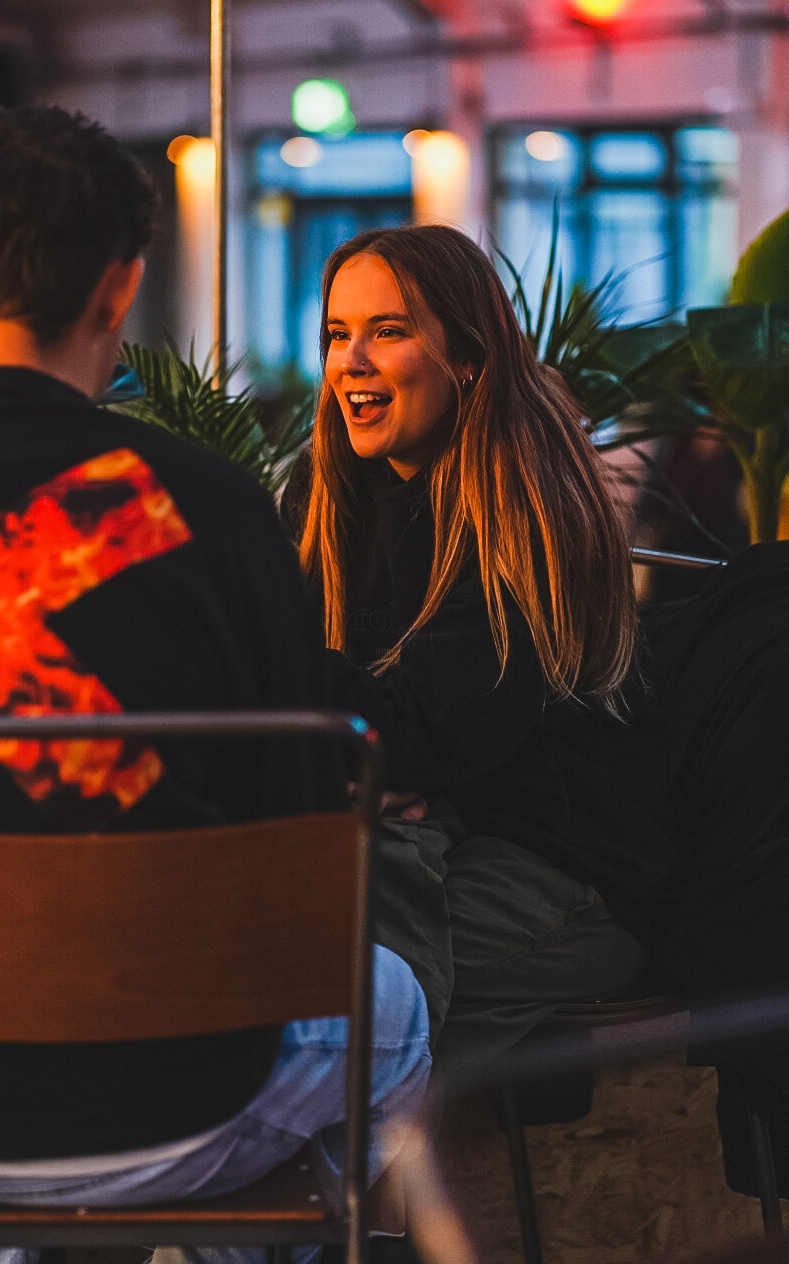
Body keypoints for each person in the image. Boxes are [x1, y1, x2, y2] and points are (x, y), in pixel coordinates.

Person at [0, 107, 430, 1264]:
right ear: (119, 290)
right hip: (159, 1107)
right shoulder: (211, 507)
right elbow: (291, 850)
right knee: (394, 1008)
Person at [284, 223, 678, 1074]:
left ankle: (360, 1154)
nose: (351, 361)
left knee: (308, 959)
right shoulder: (325, 497)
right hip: (418, 838)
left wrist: (265, 666)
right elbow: (362, 739)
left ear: (467, 356)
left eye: (388, 331)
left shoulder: (525, 512)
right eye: (338, 334)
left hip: (560, 872)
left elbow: (408, 737)